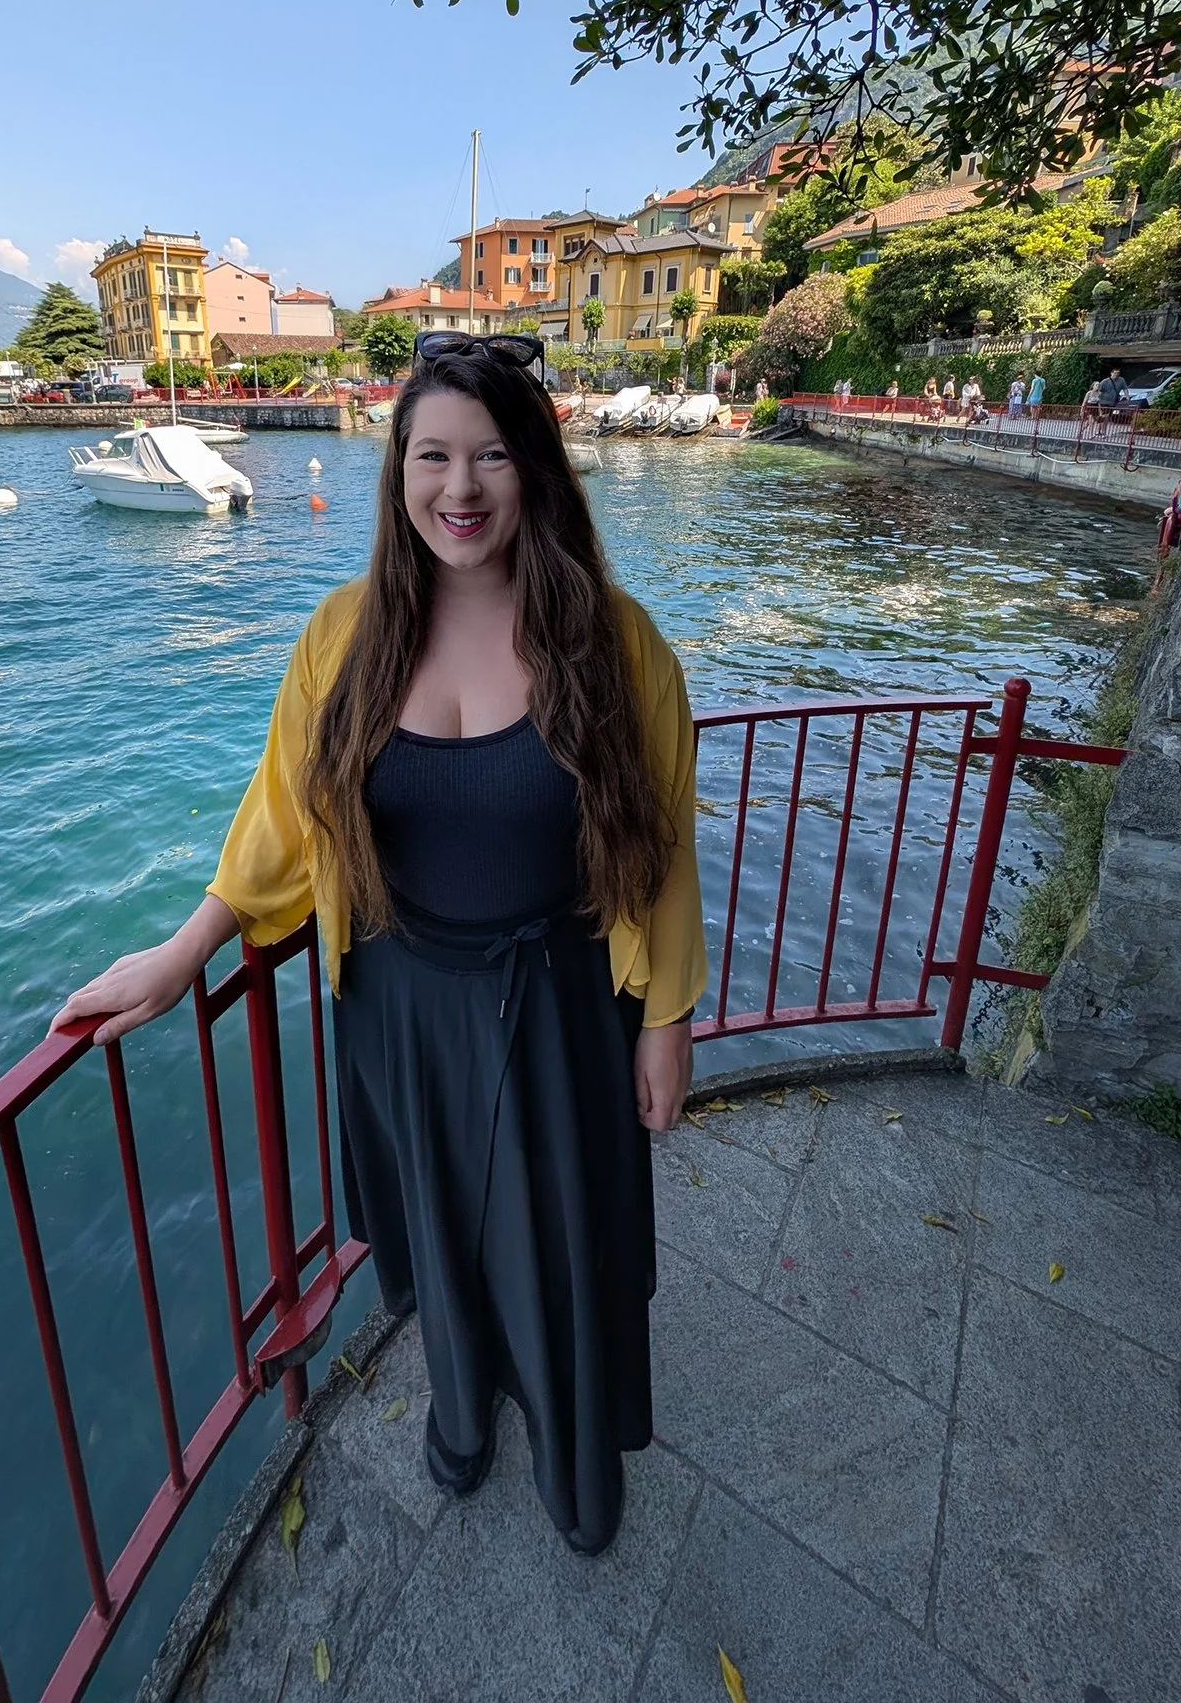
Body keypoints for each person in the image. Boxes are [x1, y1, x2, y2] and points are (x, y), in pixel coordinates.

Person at [51, 330, 704, 1558]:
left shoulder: (615, 642)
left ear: (539, 472)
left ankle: (575, 1466)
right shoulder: (344, 637)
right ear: (397, 470)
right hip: (398, 1003)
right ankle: (460, 1418)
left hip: (561, 1003)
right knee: (444, 1238)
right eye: (433, 458)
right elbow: (284, 820)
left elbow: (659, 844)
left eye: (493, 458)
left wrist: (666, 1019)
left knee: (564, 1254)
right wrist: (186, 951)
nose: (461, 491)